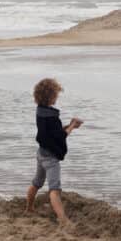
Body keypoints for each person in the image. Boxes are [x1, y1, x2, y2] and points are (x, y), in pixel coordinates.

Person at [24, 78, 83, 226]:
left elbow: (53, 134)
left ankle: (29, 208)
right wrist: (72, 127)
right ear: (50, 96)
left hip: (41, 153)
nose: (57, 96)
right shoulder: (52, 117)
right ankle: (63, 220)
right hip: (50, 158)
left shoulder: (41, 112)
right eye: (56, 94)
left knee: (36, 183)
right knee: (54, 189)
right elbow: (60, 136)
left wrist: (69, 125)